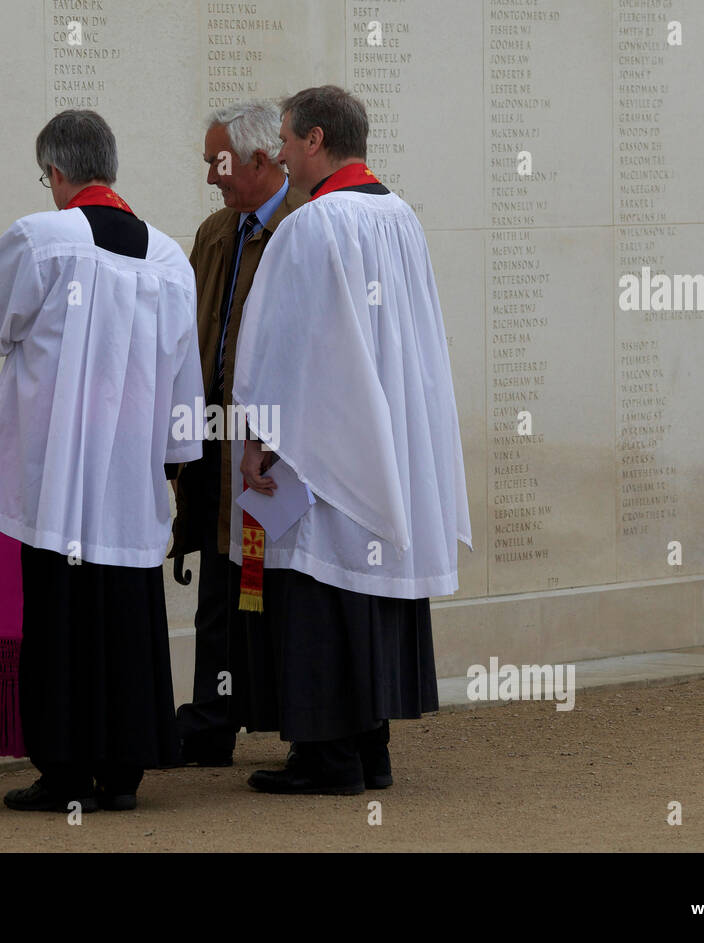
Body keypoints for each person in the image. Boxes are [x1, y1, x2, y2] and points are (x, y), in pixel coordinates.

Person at [0, 109, 203, 812]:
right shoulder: (168, 257)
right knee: (122, 615)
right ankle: (122, 771)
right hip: (126, 475)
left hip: (51, 471)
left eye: (46, 177)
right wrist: (175, 460)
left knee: (57, 619)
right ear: (109, 167)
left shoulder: (43, 237)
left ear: (57, 173)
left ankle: (64, 771)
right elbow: (186, 375)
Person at [230, 85, 472, 795]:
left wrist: (257, 436)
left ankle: (328, 757)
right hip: (388, 432)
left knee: (319, 583)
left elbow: (278, 342)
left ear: (313, 139)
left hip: (327, 441)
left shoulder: (312, 226)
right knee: (363, 586)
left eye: (283, 137)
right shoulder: (401, 216)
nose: (276, 152)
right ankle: (371, 748)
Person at [167, 100, 306, 766]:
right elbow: (193, 333)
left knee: (276, 583)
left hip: (273, 445)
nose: (211, 178)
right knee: (221, 585)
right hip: (217, 441)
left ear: (259, 159)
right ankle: (212, 716)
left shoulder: (303, 228)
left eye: (218, 164)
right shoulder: (215, 231)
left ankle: (290, 714)